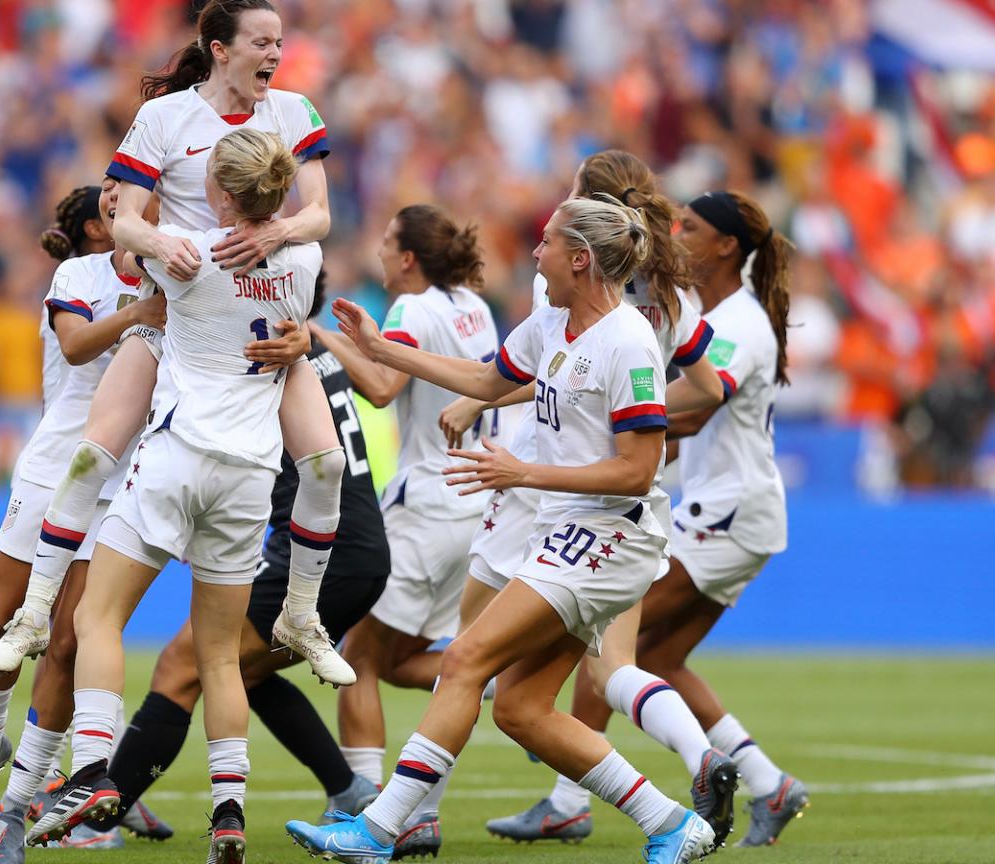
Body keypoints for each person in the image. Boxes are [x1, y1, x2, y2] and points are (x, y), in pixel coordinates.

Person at [286, 195, 715, 864]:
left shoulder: (628, 342)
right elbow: (486, 379)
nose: (534, 252)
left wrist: (525, 473)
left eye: (546, 242)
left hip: (611, 536)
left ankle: (376, 832)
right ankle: (670, 823)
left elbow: (638, 470)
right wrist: (380, 350)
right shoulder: (550, 324)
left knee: (462, 660)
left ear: (579, 258)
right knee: (521, 709)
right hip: (568, 533)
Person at [0, 0, 350, 687]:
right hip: (180, 314)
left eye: (279, 42)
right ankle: (34, 612)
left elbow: (320, 215)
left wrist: (276, 232)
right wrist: (157, 243)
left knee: (327, 466)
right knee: (91, 456)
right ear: (219, 48)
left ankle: (302, 613)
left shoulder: (296, 111)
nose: (275, 54)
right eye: (261, 43)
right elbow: (122, 218)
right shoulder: (165, 119)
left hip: (265, 322)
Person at [26, 129, 321, 864]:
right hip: (250, 475)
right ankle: (228, 813)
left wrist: (130, 193)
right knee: (220, 656)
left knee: (98, 616)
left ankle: (93, 772)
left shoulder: (184, 254)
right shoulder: (306, 261)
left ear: (218, 191)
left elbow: (126, 233)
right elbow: (298, 264)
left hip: (177, 458)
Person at [482, 153, 739, 846]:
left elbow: (545, 367)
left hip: (556, 487)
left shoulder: (569, 286)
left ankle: (405, 806)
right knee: (599, 667)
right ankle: (631, 780)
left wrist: (633, 436)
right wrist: (649, 427)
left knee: (481, 654)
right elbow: (711, 390)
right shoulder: (666, 288)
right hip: (625, 498)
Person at [95, 270, 390, 834]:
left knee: (187, 664)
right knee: (238, 672)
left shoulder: (264, 347)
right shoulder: (311, 348)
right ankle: (349, 789)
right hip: (353, 548)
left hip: (319, 552)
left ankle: (105, 808)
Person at [0, 183, 169, 863]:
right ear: (102, 226)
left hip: (118, 485)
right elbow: (72, 347)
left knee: (69, 644)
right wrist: (145, 315)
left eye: (139, 200)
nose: (127, 207)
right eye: (114, 202)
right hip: (52, 470)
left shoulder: (179, 279)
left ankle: (15, 808)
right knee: (1, 621)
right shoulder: (78, 274)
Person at [306, 203, 500, 853]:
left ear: (410, 257)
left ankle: (361, 810)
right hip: (474, 508)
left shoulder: (411, 310)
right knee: (400, 661)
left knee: (356, 657)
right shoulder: (474, 306)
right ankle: (490, 686)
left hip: (426, 506)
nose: (381, 253)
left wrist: (325, 339)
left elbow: (385, 387)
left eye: (388, 242)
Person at [636, 189, 808, 846]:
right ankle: (769, 783)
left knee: (610, 634)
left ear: (726, 246)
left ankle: (569, 793)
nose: (678, 233)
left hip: (729, 514)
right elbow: (686, 426)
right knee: (654, 657)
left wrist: (615, 411)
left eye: (693, 226)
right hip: (728, 508)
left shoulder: (737, 321)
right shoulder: (720, 314)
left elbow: (701, 404)